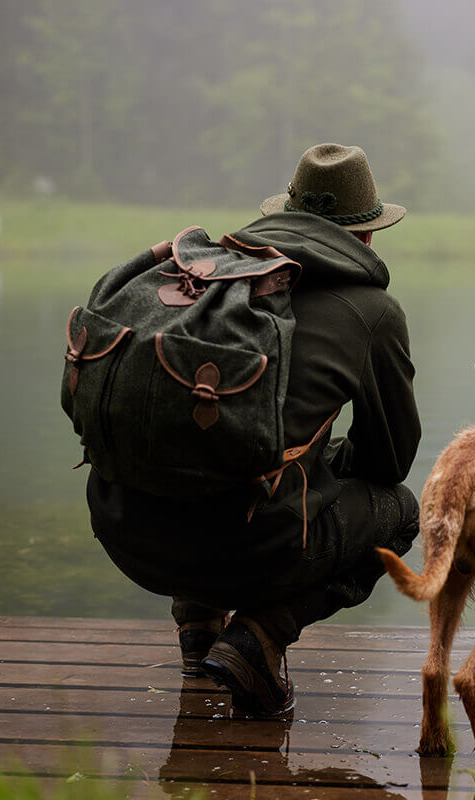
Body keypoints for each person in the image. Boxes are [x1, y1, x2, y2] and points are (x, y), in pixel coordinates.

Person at [86, 143, 421, 717]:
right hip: (242, 549)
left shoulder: (208, 283)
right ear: (366, 235)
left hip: (124, 532)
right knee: (403, 509)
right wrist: (327, 457)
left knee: (213, 446)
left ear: (285, 214)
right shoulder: (372, 311)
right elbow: (388, 464)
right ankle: (260, 637)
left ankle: (197, 617)